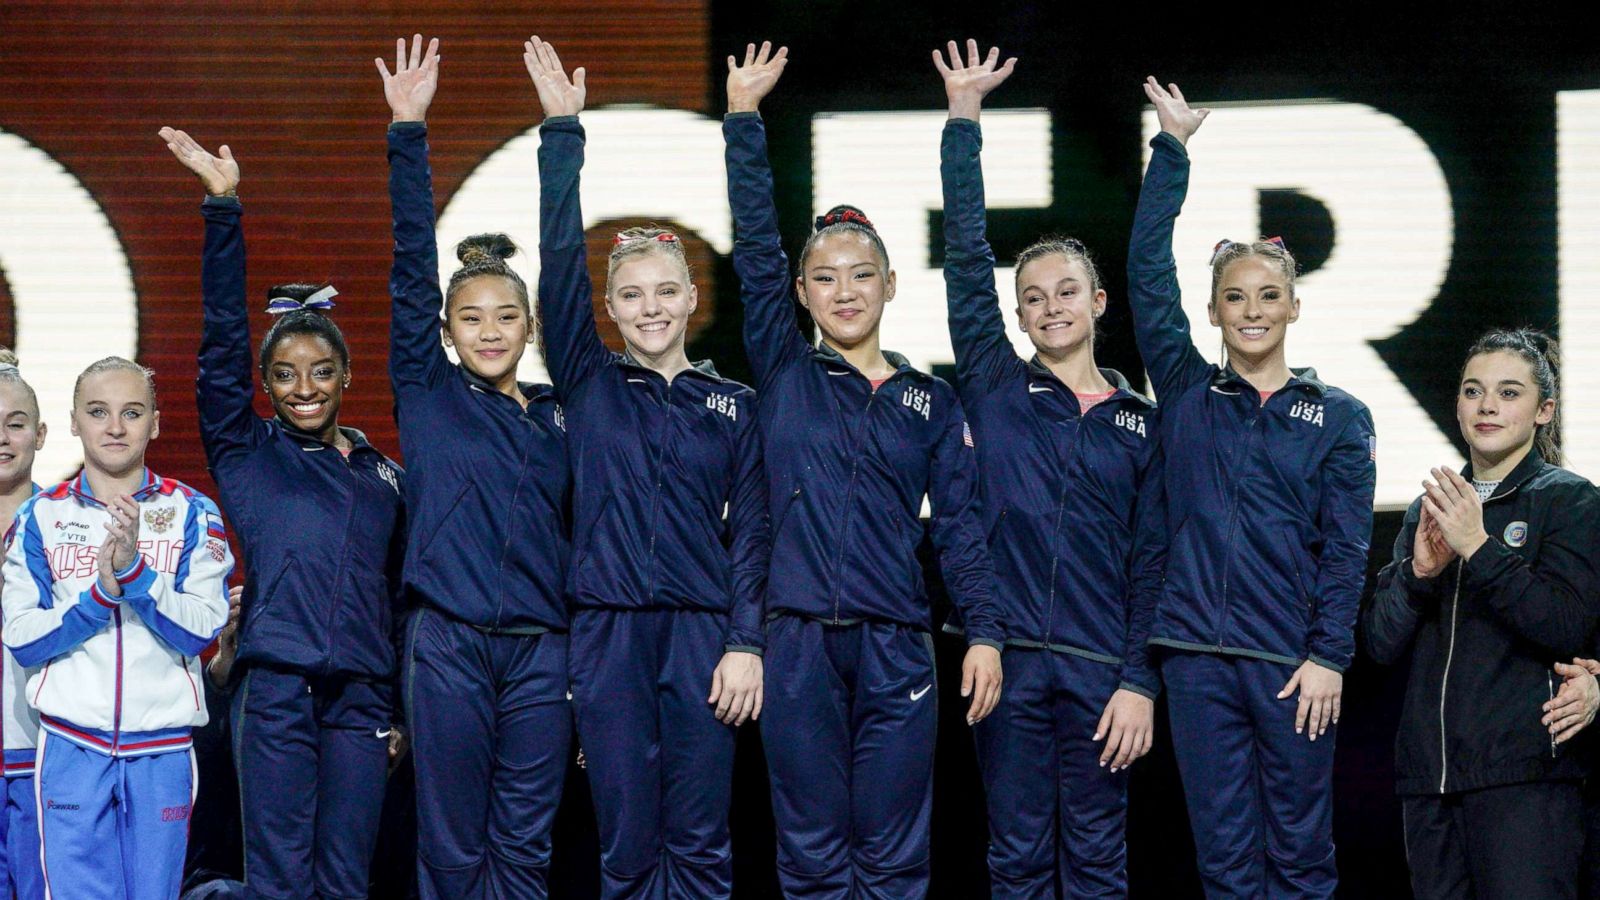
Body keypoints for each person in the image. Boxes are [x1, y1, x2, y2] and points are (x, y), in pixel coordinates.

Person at [724, 41, 1005, 897]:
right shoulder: (782, 369)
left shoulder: (931, 399)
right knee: (810, 856)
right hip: (797, 640)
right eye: (823, 278)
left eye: (860, 275)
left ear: (889, 285)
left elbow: (958, 530)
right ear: (800, 294)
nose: (843, 291)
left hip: (896, 646)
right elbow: (754, 243)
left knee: (893, 857)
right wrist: (742, 117)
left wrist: (985, 629)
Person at [524, 37, 768, 898]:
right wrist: (562, 133)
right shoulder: (588, 381)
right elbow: (557, 269)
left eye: (666, 290)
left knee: (701, 845)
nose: (651, 307)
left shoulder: (734, 403)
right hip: (610, 636)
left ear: (693, 296)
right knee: (626, 845)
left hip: (705, 636)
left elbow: (756, 536)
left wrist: (745, 643)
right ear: (610, 308)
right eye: (631, 294)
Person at [1127, 78, 1376, 898]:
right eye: (1235, 297)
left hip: (1290, 665)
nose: (1252, 310)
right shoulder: (1190, 395)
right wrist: (1171, 149)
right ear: (1213, 312)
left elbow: (1346, 547)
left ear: (1295, 306)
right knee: (1227, 866)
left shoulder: (1338, 415)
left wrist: (1328, 656)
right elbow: (1145, 273)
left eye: (1268, 295)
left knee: (1302, 861)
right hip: (1197, 663)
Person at [934, 40, 1161, 898]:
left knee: (1100, 865)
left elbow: (1153, 560)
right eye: (1032, 296)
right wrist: (964, 121)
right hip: (1010, 662)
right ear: (1018, 313)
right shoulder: (994, 382)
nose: (1050, 306)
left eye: (1067, 291)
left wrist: (1139, 679)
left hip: (1104, 669)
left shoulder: (1143, 423)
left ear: (1098, 302)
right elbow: (964, 252)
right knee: (1018, 861)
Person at [159, 125, 408, 899]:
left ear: (346, 376)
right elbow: (220, 346)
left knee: (345, 884)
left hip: (363, 701)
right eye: (286, 374)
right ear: (264, 384)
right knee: (278, 883)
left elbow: (402, 599)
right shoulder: (247, 452)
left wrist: (400, 708)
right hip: (273, 695)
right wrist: (223, 209)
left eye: (321, 371)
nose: (304, 387)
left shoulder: (387, 477)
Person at [377, 34, 573, 899]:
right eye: (471, 318)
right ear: (448, 332)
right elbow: (409, 269)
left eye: (506, 316)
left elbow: (566, 270)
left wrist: (562, 131)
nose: (489, 330)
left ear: (529, 327)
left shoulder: (566, 417)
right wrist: (408, 133)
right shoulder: (427, 392)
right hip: (447, 643)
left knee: (526, 851)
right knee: (452, 853)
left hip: (543, 653)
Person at [1365, 329, 1600, 899]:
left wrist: (1480, 547)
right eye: (1474, 391)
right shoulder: (1430, 507)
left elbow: (1566, 624)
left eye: (1509, 392)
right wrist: (1419, 576)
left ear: (1544, 410)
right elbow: (1379, 643)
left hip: (1522, 778)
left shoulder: (1568, 500)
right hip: (1429, 782)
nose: (1488, 405)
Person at [2, 357, 232, 899]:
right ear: (74, 422)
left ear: (154, 422)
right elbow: (23, 635)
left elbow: (202, 631)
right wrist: (101, 595)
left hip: (164, 747)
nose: (115, 427)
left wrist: (135, 574)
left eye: (132, 412)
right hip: (71, 746)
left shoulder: (192, 511)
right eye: (98, 412)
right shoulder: (39, 517)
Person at [0, 350, 45, 900]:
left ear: (41, 432)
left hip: (45, 754)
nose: (3, 439)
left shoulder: (69, 524)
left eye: (15, 424)